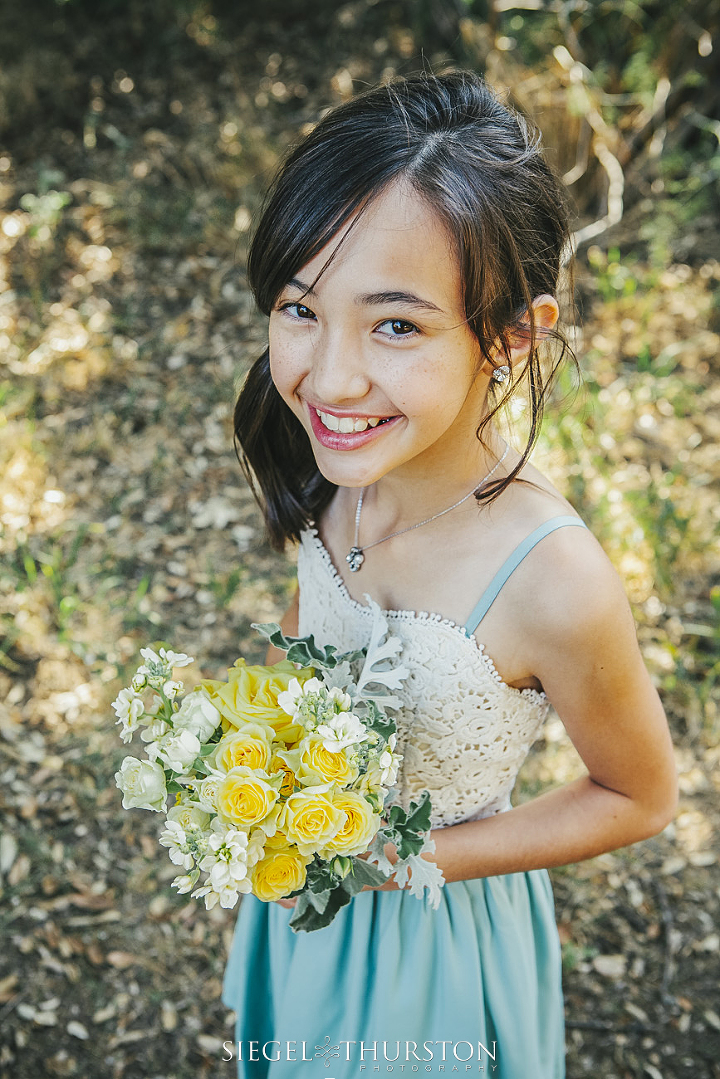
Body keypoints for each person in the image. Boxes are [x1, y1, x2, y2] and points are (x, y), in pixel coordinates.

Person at [221, 71, 677, 1078]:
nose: (328, 378)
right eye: (301, 307)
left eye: (395, 325)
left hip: (430, 940)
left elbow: (638, 796)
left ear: (510, 336)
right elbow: (307, 627)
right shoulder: (334, 462)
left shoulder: (552, 579)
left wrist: (397, 861)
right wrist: (255, 751)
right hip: (308, 892)